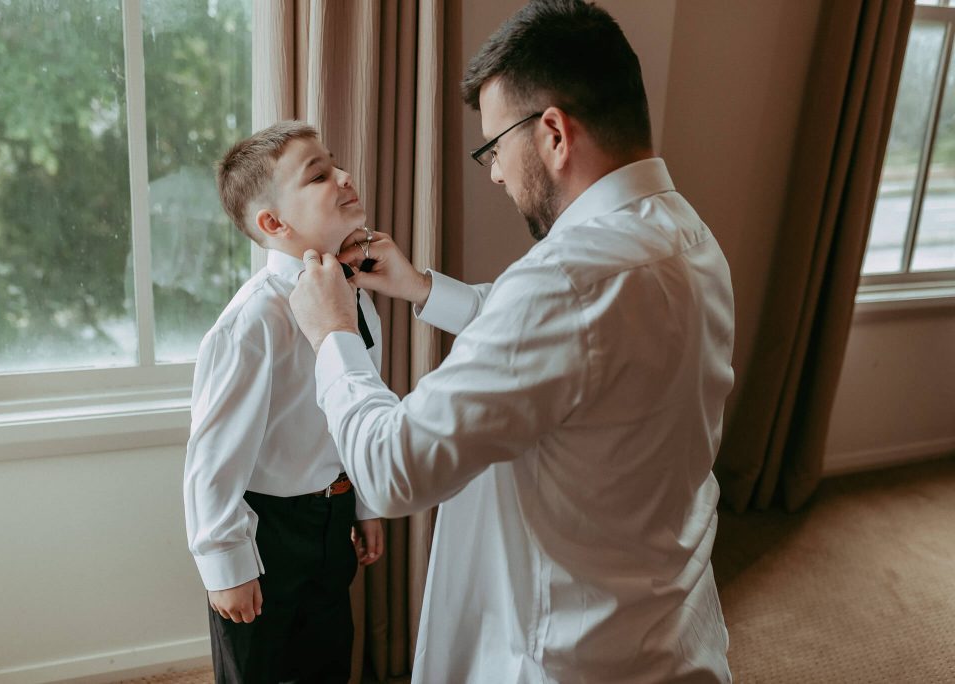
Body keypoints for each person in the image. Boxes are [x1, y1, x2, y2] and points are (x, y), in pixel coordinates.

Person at [291, 0, 735, 682]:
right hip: (668, 626)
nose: (495, 172)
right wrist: (420, 289)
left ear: (553, 132)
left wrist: (334, 336)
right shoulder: (685, 235)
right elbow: (568, 349)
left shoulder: (566, 281)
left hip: (566, 653)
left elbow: (392, 467)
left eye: (495, 147)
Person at [183, 120, 384, 684]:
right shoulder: (253, 323)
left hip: (331, 513)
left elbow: (359, 408)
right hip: (265, 527)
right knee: (257, 668)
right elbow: (213, 457)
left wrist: (363, 505)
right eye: (319, 174)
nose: (344, 176)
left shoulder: (356, 297)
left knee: (326, 659)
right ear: (274, 223)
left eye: (335, 162)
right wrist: (225, 564)